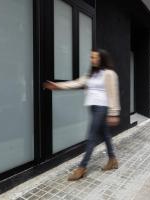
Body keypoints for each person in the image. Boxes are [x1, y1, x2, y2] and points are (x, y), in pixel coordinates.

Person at [43, 49, 121, 181]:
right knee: (106, 134)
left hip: (102, 107)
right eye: (91, 57)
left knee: (91, 136)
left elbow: (113, 93)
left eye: (95, 57)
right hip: (93, 107)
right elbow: (76, 83)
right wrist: (57, 86)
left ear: (102, 58)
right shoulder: (91, 74)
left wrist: (114, 113)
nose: (92, 59)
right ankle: (112, 159)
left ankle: (82, 167)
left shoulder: (109, 73)